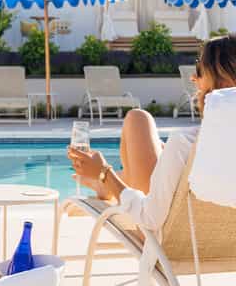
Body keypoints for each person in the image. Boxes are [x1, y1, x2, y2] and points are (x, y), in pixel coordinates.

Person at [68, 35, 236, 231]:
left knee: (137, 119)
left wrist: (105, 173)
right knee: (161, 147)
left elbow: (149, 219)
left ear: (225, 84)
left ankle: (105, 184)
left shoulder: (187, 142)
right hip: (221, 250)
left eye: (199, 71)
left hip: (161, 245)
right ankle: (107, 184)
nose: (193, 78)